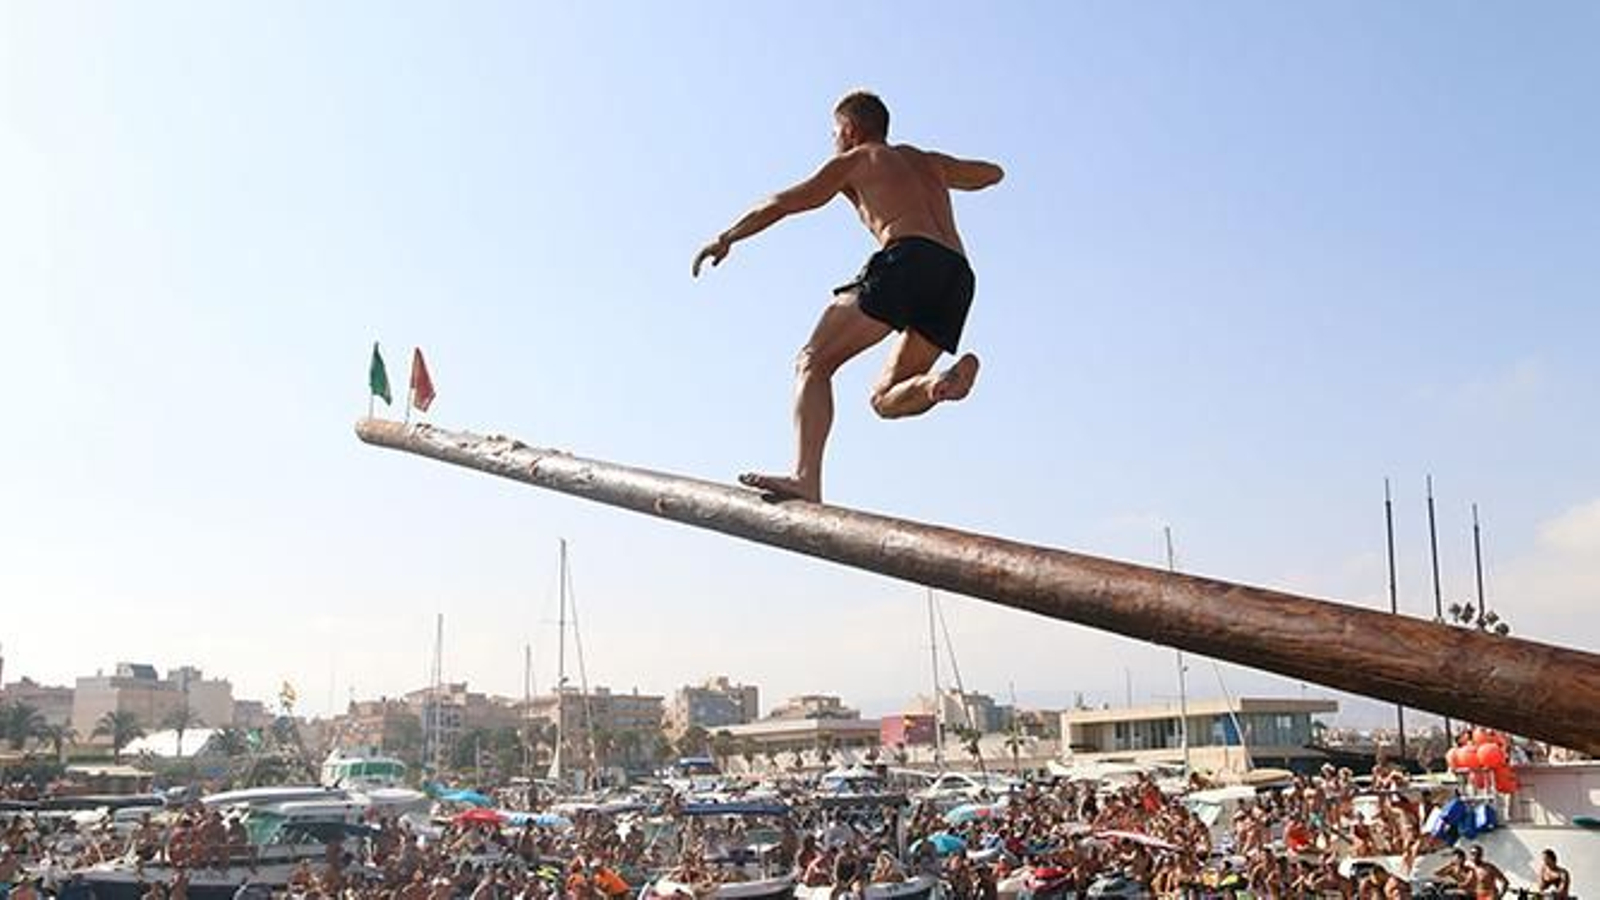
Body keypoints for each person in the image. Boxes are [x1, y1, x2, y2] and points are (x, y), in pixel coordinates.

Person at [693, 89, 1004, 502]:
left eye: (835, 132)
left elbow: (781, 203)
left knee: (813, 362)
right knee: (884, 399)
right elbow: (992, 174)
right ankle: (937, 385)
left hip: (908, 258)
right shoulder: (926, 161)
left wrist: (727, 237)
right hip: (957, 276)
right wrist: (951, 173)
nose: (834, 141)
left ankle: (806, 478)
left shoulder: (856, 160)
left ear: (850, 130)